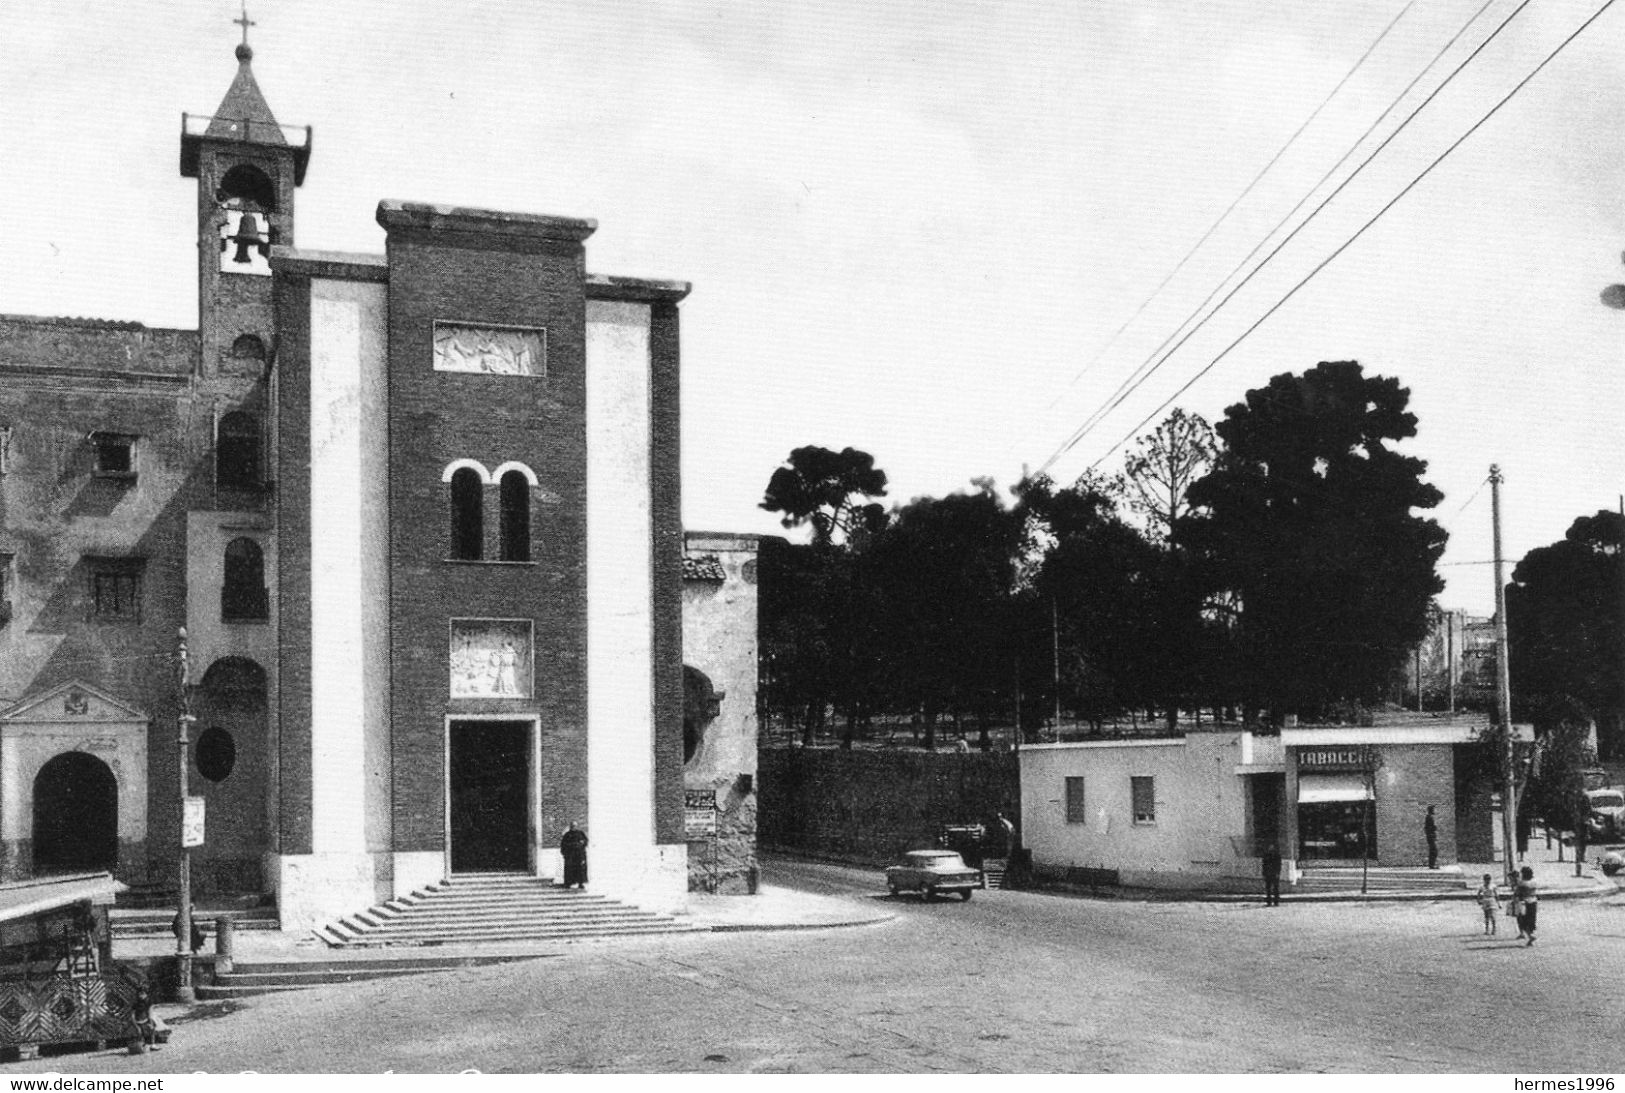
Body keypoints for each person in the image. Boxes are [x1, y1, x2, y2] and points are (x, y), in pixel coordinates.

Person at [1515, 865, 1538, 946]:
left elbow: (1518, 893)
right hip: (1534, 901)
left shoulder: (1522, 883)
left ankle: (1530, 936)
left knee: (1523, 920)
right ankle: (1530, 937)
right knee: (1531, 919)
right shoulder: (1534, 881)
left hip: (1524, 902)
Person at [561, 822, 588, 890]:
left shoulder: (580, 833)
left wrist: (582, 843)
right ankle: (568, 883)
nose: (573, 827)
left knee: (580, 870)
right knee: (569, 869)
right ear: (570, 827)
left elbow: (585, 841)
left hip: (579, 855)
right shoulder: (567, 835)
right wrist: (565, 853)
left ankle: (580, 883)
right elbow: (563, 845)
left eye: (575, 826)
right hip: (570, 856)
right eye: (572, 826)